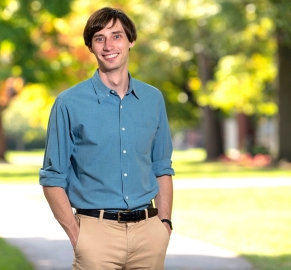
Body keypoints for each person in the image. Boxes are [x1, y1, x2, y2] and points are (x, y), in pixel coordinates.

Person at [39, 7, 175, 270]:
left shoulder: (153, 99)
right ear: (90, 46)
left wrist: (164, 223)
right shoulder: (68, 103)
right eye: (99, 38)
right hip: (95, 235)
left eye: (116, 36)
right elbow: (52, 177)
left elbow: (162, 166)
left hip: (149, 233)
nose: (108, 45)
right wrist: (78, 236)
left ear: (130, 41)